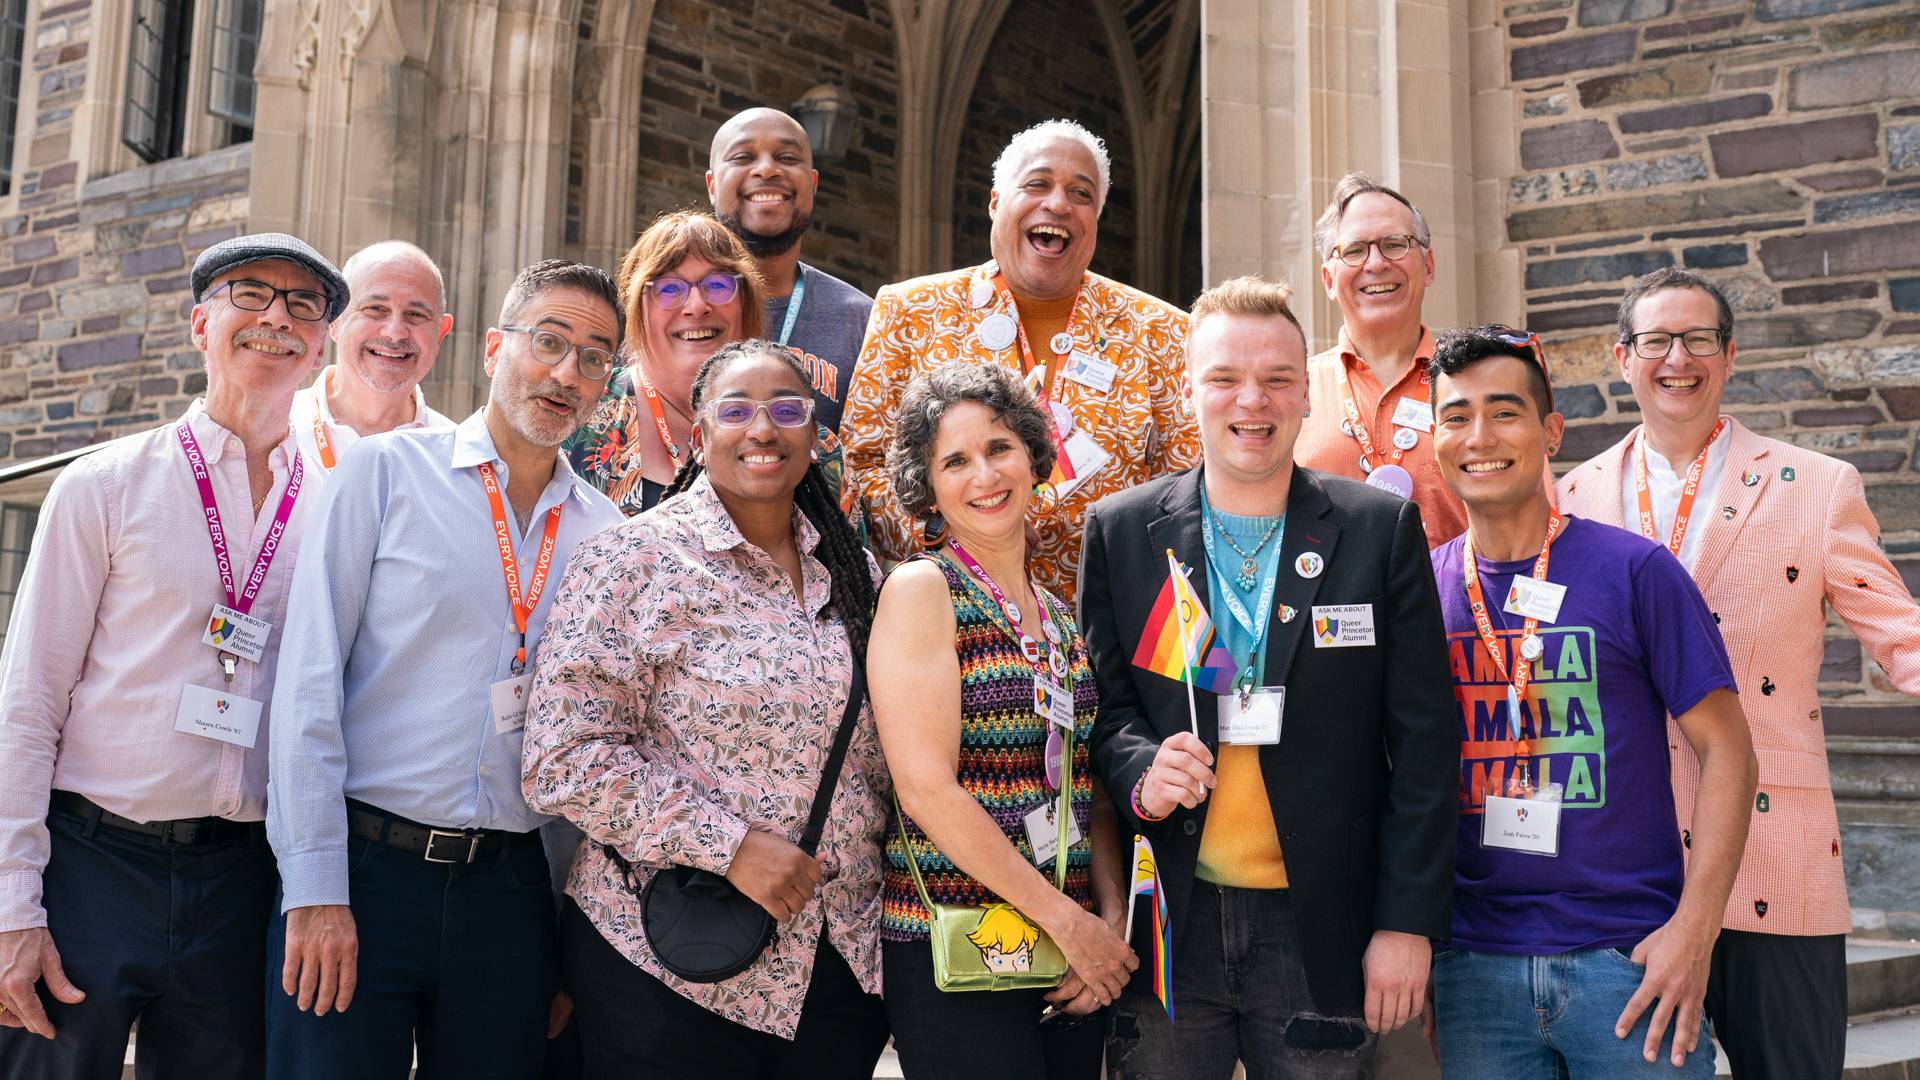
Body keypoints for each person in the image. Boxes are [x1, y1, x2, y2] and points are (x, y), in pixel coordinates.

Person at [1081, 276, 1457, 1079]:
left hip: (1320, 924)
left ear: (1306, 395)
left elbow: (1425, 742)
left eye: (1277, 378)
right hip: (1171, 921)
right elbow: (1108, 712)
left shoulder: (1377, 528)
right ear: (1190, 391)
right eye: (1225, 377)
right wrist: (1144, 771)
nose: (1252, 400)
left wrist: (1406, 922)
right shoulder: (1121, 532)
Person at [264, 259, 626, 1078]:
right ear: (495, 348)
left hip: (510, 897)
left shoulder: (607, 538)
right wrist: (315, 889)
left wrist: (565, 935)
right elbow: (306, 687)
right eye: (548, 342)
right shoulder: (383, 474)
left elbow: (598, 737)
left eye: (593, 357)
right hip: (364, 873)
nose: (566, 373)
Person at [1556, 268, 1920, 1079]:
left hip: (1774, 849)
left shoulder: (1816, 486)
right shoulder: (1571, 499)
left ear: (1728, 356)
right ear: (1623, 358)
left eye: (1698, 340)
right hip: (1628, 864)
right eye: (1656, 340)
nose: (1676, 359)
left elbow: (1902, 635)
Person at [0, 233, 348, 1077]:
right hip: (92, 866)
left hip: (242, 883)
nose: (277, 317)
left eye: (303, 304)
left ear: (320, 349)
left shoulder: (337, 506)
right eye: (250, 293)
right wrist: (13, 903)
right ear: (200, 325)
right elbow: (28, 702)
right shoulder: (104, 486)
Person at [524, 339, 890, 1079]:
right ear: (699, 435)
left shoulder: (858, 575)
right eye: (737, 410)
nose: (764, 429)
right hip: (666, 963)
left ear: (814, 435)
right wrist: (730, 845)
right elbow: (562, 758)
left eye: (787, 410)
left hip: (838, 967)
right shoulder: (632, 561)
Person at [1425, 325, 1757, 1078]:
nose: (1480, 437)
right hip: (1474, 968)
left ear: (1551, 433)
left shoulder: (1636, 572)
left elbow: (1728, 749)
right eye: (1456, 416)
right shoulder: (1420, 587)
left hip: (1628, 961)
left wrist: (1694, 932)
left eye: (1504, 412)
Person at [870, 362, 1135, 1080]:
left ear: (1033, 458)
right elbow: (926, 791)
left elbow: (1087, 788)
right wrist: (1066, 921)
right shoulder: (922, 589)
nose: (984, 475)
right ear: (927, 488)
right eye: (955, 461)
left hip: (1070, 959)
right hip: (960, 946)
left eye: (998, 448)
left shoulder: (1057, 613)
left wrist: (1108, 919)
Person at [842, 119, 1196, 600]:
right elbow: (861, 468)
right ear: (995, 202)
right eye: (1037, 184)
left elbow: (1188, 488)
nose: (1059, 204)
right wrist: (950, 532)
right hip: (955, 612)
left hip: (1110, 619)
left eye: (1081, 193)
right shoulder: (910, 310)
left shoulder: (1164, 331)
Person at [1293, 173, 1470, 549]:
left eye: (1395, 244)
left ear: (1429, 266)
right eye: (1354, 250)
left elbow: (1528, 519)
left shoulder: (1479, 384)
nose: (1375, 263)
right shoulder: (1290, 392)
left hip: (1454, 589)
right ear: (1328, 280)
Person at [568, 211, 765, 516]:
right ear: (636, 308)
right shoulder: (578, 413)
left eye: (718, 285)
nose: (697, 306)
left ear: (746, 301)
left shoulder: (796, 430)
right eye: (670, 288)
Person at [707, 107, 873, 437]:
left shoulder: (863, 322)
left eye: (787, 157)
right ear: (712, 186)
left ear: (812, 183)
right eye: (743, 157)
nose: (767, 169)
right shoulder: (670, 308)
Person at [290, 240, 456, 478]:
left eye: (416, 314)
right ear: (334, 321)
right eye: (376, 308)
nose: (395, 332)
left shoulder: (458, 459)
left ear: (440, 332)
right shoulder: (276, 429)